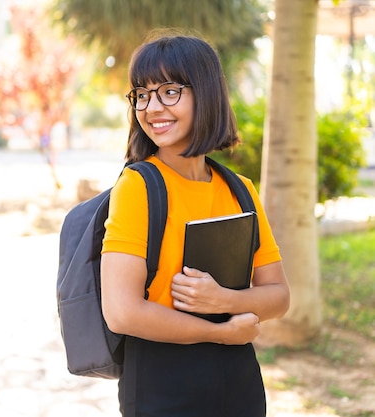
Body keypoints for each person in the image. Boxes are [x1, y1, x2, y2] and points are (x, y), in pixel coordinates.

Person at [100, 30, 291, 417]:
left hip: (239, 383)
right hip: (162, 386)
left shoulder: (240, 191)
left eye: (169, 91)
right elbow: (122, 311)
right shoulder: (138, 186)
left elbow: (279, 296)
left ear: (205, 94)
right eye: (142, 93)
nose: (152, 107)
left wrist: (226, 301)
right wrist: (219, 332)